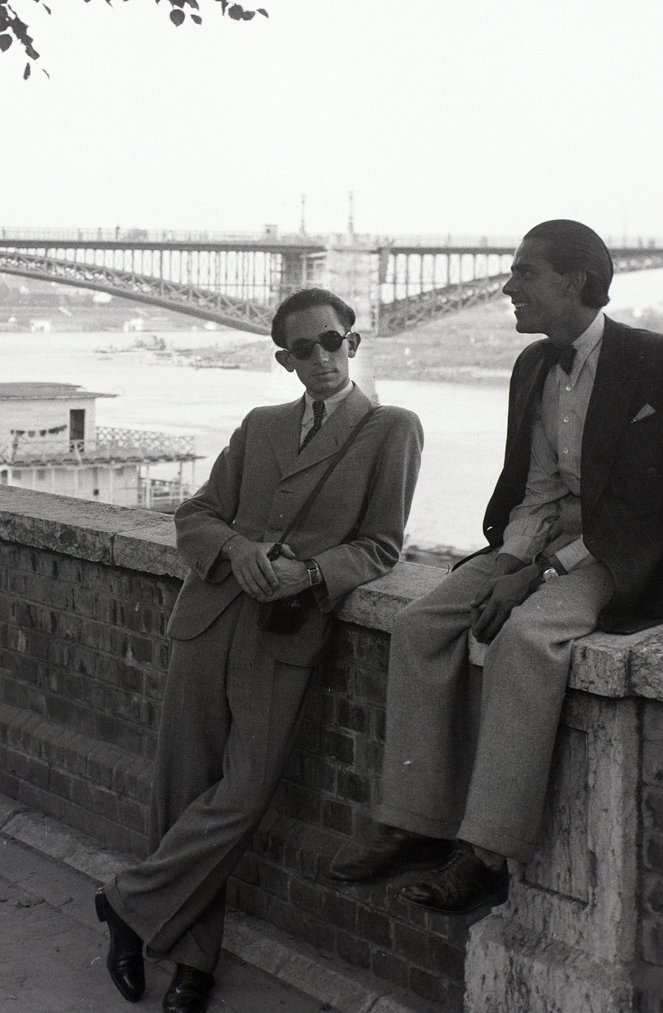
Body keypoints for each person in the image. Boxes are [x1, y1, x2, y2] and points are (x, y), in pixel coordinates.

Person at [328, 219, 663, 912]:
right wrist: (510, 561)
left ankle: (485, 851)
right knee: (422, 623)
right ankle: (417, 822)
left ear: (574, 282)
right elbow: (539, 489)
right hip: (544, 539)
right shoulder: (535, 365)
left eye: (524, 273)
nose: (509, 287)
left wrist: (537, 576)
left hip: (622, 556)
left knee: (525, 639)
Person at [96, 288, 423, 1013]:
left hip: (287, 629)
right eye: (303, 349)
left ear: (354, 343)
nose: (323, 357)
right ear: (285, 360)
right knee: (182, 792)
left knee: (241, 797)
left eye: (333, 341)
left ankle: (124, 903)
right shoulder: (261, 425)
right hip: (210, 618)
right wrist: (237, 549)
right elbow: (196, 515)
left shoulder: (390, 429)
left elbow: (380, 545)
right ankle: (191, 964)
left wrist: (310, 572)